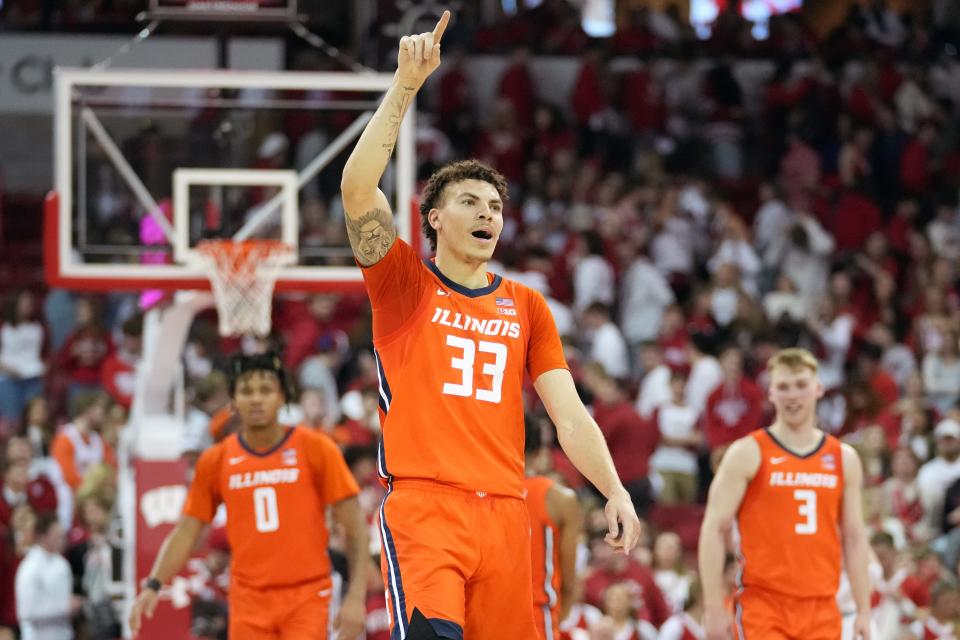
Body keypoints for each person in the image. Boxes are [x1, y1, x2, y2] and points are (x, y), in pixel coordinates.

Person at [340, 10, 640, 639]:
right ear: (434, 220)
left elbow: (569, 415)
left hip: (507, 514)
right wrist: (405, 87)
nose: (488, 215)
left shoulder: (529, 306)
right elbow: (359, 190)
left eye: (497, 207)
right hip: (427, 508)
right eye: (470, 202)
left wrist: (614, 488)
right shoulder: (405, 286)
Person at [128, 353, 368, 640]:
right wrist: (154, 584)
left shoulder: (316, 448)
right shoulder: (215, 460)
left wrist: (356, 597)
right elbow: (187, 531)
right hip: (247, 600)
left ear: (282, 397)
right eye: (246, 391)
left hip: (308, 595)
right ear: (233, 401)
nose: (256, 399)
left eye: (265, 391)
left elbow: (355, 526)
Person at [698, 348, 872, 640]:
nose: (793, 395)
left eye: (801, 385)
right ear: (771, 394)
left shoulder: (844, 458)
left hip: (823, 606)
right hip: (764, 604)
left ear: (818, 389)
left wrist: (863, 610)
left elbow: (854, 536)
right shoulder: (748, 452)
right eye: (783, 387)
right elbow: (713, 527)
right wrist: (714, 605)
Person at [524, 416, 583, 640]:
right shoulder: (559, 498)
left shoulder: (480, 492)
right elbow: (569, 580)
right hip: (536, 617)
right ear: (541, 450)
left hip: (483, 616)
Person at [15, 511, 79, 640]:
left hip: (64, 634)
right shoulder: (30, 567)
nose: (61, 538)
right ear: (42, 536)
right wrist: (64, 607)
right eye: (56, 534)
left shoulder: (62, 564)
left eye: (62, 534)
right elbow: (27, 612)